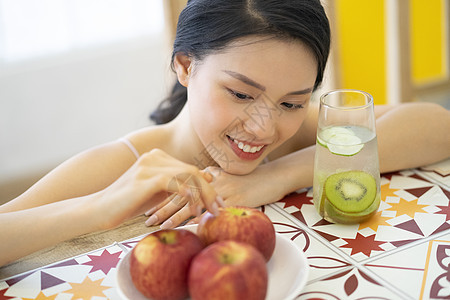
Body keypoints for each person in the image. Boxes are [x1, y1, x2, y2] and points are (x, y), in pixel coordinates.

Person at [1, 0, 449, 267]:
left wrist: (275, 176)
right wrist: (99, 207)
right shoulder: (124, 164)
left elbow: (438, 126)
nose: (264, 127)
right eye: (239, 94)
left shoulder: (295, 136)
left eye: (292, 102)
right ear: (185, 66)